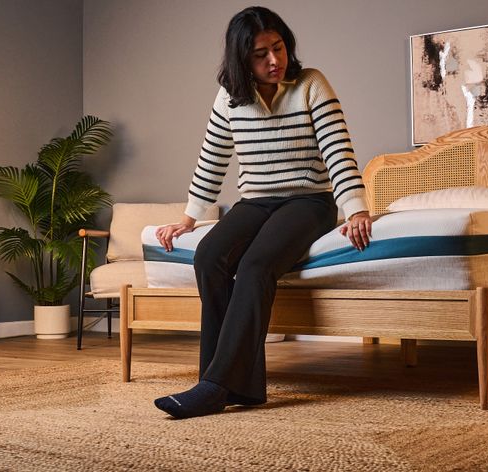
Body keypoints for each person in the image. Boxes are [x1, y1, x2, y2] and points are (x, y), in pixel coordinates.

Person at [152, 6, 372, 419]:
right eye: (260, 54)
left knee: (255, 265)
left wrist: (355, 208)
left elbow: (337, 148)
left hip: (308, 200)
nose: (275, 60)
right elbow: (212, 158)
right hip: (255, 201)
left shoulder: (311, 84)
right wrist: (189, 216)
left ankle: (215, 386)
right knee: (209, 256)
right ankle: (240, 387)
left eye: (279, 47)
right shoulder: (230, 98)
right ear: (242, 59)